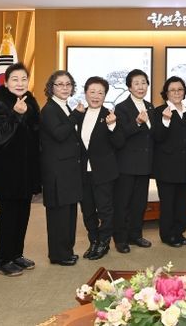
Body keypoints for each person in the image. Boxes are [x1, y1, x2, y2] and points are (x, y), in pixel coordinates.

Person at [0, 62, 41, 277]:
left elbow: (36, 134)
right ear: (6, 82)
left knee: (23, 215)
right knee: (8, 217)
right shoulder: (0, 106)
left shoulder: (31, 103)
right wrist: (16, 115)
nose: (20, 83)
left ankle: (16, 254)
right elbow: (0, 137)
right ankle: (2, 260)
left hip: (26, 172)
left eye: (24, 79)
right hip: (6, 173)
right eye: (15, 79)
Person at [39, 70, 83, 266]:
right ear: (51, 88)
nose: (65, 88)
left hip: (69, 169)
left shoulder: (64, 106)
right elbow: (59, 134)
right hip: (57, 171)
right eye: (60, 84)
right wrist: (76, 116)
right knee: (59, 215)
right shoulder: (49, 109)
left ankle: (67, 250)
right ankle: (58, 254)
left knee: (69, 213)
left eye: (68, 84)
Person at [78, 77, 125, 260]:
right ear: (85, 93)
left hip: (104, 172)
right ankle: (94, 241)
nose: (96, 96)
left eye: (100, 92)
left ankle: (104, 243)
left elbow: (119, 143)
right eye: (92, 92)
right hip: (83, 172)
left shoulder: (110, 116)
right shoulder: (79, 114)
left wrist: (112, 126)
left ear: (105, 95)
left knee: (105, 210)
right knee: (87, 210)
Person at [113, 69, 155, 253]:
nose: (141, 86)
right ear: (129, 87)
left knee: (139, 203)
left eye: (144, 82)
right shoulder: (121, 108)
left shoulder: (150, 106)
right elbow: (120, 136)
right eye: (136, 83)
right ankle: (121, 239)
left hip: (144, 164)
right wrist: (137, 122)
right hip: (126, 164)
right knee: (123, 203)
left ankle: (135, 235)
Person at [152, 76, 186, 247]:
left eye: (180, 89)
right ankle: (167, 235)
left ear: (184, 92)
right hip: (166, 167)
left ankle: (179, 232)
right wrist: (165, 121)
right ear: (166, 93)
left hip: (185, 166)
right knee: (168, 203)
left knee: (182, 203)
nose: (176, 93)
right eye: (172, 90)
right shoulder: (159, 111)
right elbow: (157, 137)